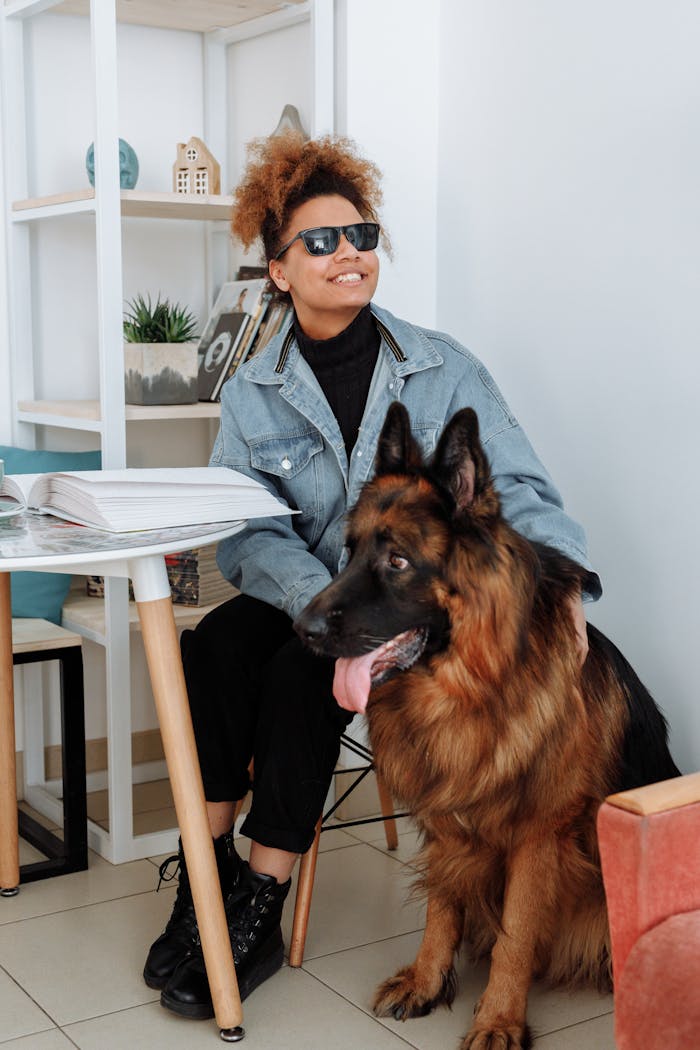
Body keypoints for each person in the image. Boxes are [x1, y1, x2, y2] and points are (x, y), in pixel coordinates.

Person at [144, 132, 600, 1020]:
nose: (347, 254)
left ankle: (260, 905)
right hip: (302, 591)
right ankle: (202, 885)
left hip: (397, 612)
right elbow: (244, 527)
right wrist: (316, 598)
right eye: (320, 242)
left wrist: (567, 582)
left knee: (299, 676)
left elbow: (527, 491)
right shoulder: (251, 392)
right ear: (278, 269)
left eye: (360, 236)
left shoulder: (441, 364)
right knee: (216, 648)